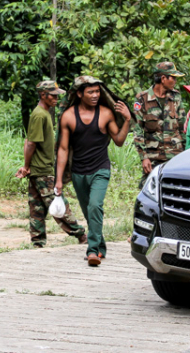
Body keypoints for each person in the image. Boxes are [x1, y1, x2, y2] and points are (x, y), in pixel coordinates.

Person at [55, 76, 131, 267]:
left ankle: (93, 250)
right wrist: (59, 180)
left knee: (95, 206)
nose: (95, 95)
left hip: (100, 169)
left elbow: (119, 141)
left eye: (98, 91)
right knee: (90, 214)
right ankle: (101, 247)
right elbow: (63, 149)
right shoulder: (68, 116)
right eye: (91, 92)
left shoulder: (105, 113)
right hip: (79, 172)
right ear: (80, 94)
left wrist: (128, 119)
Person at [15, 80, 87, 248]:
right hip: (42, 170)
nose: (56, 98)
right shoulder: (40, 114)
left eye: (56, 95)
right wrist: (26, 166)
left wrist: (28, 166)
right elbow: (31, 143)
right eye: (53, 95)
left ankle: (38, 242)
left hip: (39, 168)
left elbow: (31, 141)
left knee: (36, 207)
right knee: (57, 205)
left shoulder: (45, 113)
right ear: (43, 95)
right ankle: (81, 235)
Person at [132, 62, 186, 188]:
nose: (175, 81)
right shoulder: (142, 99)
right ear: (163, 79)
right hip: (153, 156)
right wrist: (144, 157)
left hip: (175, 155)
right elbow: (137, 130)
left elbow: (183, 126)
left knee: (176, 189)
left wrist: (185, 153)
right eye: (173, 77)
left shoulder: (176, 96)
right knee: (148, 189)